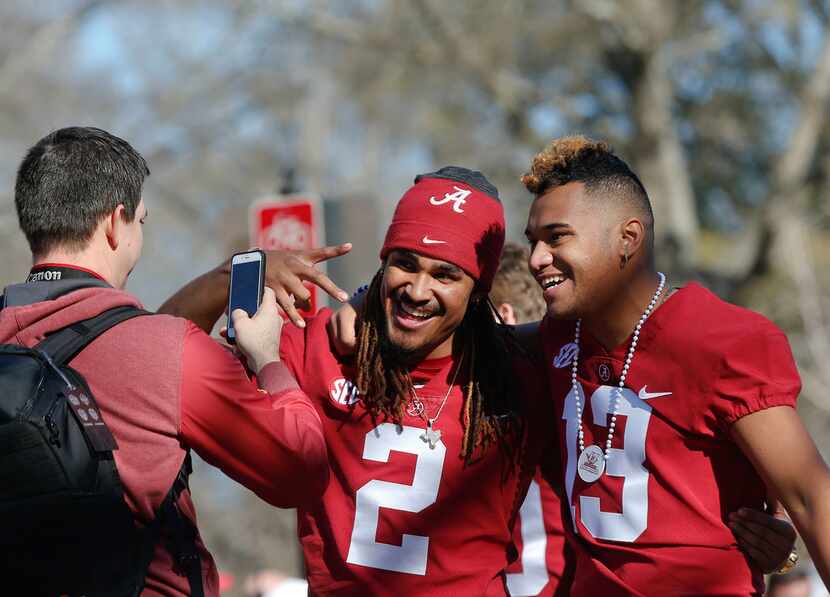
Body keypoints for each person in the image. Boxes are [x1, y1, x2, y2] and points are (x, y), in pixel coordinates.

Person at [163, 166, 551, 595]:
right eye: (405, 264)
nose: (418, 290)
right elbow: (156, 351)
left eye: (445, 275)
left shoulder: (517, 371)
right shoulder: (319, 349)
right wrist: (235, 274)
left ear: (479, 290)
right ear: (383, 264)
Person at [0, 127, 331, 596]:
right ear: (116, 224)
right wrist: (268, 361)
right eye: (141, 221)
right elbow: (300, 469)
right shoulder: (165, 349)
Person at [523, 135, 830, 594]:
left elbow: (810, 496)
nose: (537, 259)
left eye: (557, 237)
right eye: (533, 241)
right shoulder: (556, 336)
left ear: (628, 238)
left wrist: (784, 549)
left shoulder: (720, 339)